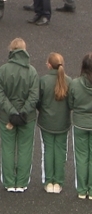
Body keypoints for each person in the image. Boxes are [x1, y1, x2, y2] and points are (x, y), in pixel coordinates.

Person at [0, 38, 39, 192]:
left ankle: (9, 182)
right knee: (25, 149)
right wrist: (24, 112)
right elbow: (34, 95)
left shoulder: (3, 70)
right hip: (28, 117)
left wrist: (12, 112)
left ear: (11, 50)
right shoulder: (32, 71)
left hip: (7, 117)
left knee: (8, 148)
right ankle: (21, 183)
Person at [37, 52, 70, 194]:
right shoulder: (69, 81)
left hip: (46, 122)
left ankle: (49, 181)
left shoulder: (43, 81)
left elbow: (37, 101)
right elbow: (71, 103)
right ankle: (59, 182)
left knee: (48, 151)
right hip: (63, 123)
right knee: (61, 152)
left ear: (49, 65)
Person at [69, 53, 92, 199]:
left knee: (81, 157)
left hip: (80, 124)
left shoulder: (75, 83)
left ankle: (82, 190)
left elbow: (71, 103)